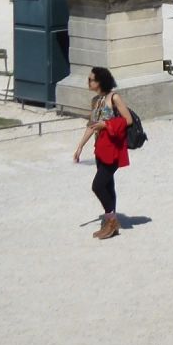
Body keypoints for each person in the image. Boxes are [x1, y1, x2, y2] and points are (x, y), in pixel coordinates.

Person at [72, 65, 133, 240]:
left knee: (97, 186)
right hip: (100, 148)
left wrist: (106, 125)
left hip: (112, 148)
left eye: (91, 79)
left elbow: (127, 120)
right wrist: (80, 147)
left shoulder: (114, 98)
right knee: (107, 186)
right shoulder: (96, 101)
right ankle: (110, 224)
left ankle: (112, 220)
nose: (88, 82)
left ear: (100, 81)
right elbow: (92, 125)